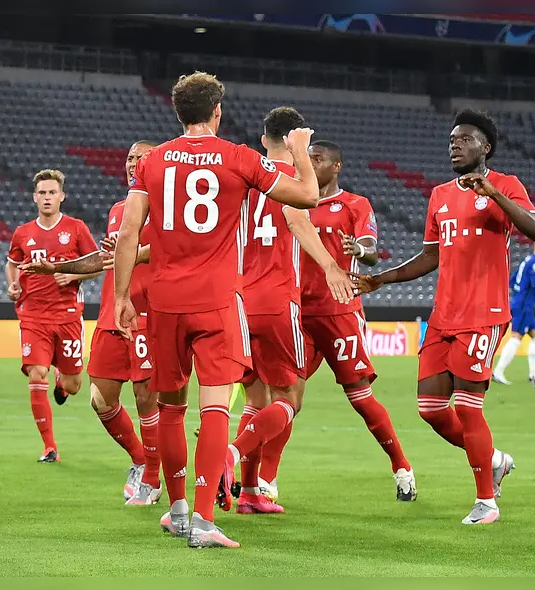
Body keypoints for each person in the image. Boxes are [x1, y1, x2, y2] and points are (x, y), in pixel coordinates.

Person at [113, 71, 319, 548]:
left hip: (163, 302)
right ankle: (204, 522)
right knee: (214, 411)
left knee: (169, 408)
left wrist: (123, 296)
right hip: (217, 301)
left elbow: (128, 233)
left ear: (178, 113)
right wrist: (302, 149)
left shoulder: (155, 160)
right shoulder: (239, 158)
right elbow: (307, 196)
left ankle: (178, 509)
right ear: (217, 112)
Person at [355, 108, 535, 524]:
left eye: (464, 139)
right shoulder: (440, 195)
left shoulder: (507, 185)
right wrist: (381, 279)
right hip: (443, 317)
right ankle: (493, 459)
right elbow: (429, 256)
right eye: (451, 140)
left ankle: (486, 502)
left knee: (470, 407)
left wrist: (494, 193)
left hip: (484, 314)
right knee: (431, 408)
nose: (454, 144)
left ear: (485, 147)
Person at [224, 107, 355, 515]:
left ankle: (249, 492)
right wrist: (331, 264)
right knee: (289, 399)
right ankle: (231, 454)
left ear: (264, 139)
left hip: (240, 300)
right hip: (278, 300)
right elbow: (299, 219)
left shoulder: (244, 176)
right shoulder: (296, 180)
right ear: (301, 137)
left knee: (256, 398)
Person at [20, 140, 164, 504]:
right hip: (110, 315)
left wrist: (130, 251)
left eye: (141, 159)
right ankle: (138, 458)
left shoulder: (168, 208)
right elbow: (102, 259)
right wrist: (55, 267)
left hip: (148, 313)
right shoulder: (120, 208)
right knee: (100, 398)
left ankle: (151, 477)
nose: (133, 164)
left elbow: (168, 252)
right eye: (130, 158)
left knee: (146, 396)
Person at [300, 139, 416, 501]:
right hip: (297, 311)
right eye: (307, 158)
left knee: (360, 397)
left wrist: (360, 249)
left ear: (336, 166)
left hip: (339, 312)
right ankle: (263, 482)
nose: (311, 164)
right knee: (284, 397)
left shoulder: (355, 204)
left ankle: (402, 467)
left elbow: (369, 250)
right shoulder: (294, 204)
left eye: (317, 159)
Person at [6, 169, 98, 463]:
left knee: (73, 385)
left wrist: (71, 275)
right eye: (42, 193)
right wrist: (13, 283)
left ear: (62, 196)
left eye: (52, 193)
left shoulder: (76, 228)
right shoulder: (23, 233)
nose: (47, 198)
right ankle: (49, 446)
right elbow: (13, 264)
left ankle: (63, 381)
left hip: (68, 315)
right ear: (35, 197)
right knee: (36, 373)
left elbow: (98, 264)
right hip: (33, 315)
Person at [493, 240, 535, 384]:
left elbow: (511, 281)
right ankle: (498, 372)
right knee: (516, 338)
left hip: (520, 303)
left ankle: (533, 374)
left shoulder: (526, 261)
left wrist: (518, 294)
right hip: (524, 306)